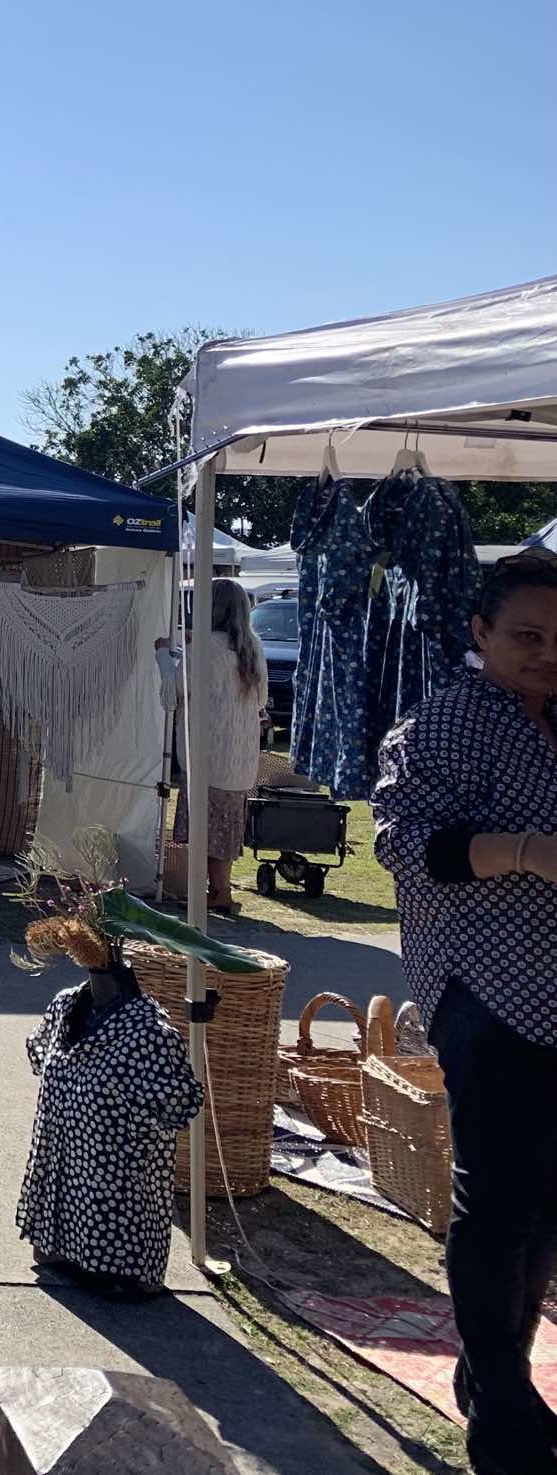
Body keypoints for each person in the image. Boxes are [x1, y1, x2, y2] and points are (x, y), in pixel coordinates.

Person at [373, 553, 557, 1475]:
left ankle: (499, 1380)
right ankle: (502, 1418)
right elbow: (402, 845)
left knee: (547, 1206)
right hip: (483, 989)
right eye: (527, 636)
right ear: (480, 633)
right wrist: (525, 850)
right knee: (499, 1201)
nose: (547, 654)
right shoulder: (444, 719)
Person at [14, 913, 203, 1300]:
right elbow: (37, 1054)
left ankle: (114, 1263)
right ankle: (65, 1243)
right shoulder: (66, 1006)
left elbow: (181, 1105)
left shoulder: (148, 1033)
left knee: (114, 1197)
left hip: (119, 1220)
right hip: (59, 1197)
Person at [154, 577, 266, 913]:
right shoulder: (253, 647)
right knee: (226, 830)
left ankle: (216, 892)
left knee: (205, 830)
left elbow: (171, 694)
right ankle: (221, 891)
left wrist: (163, 654)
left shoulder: (202, 647)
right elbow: (261, 700)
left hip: (207, 754)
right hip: (241, 757)